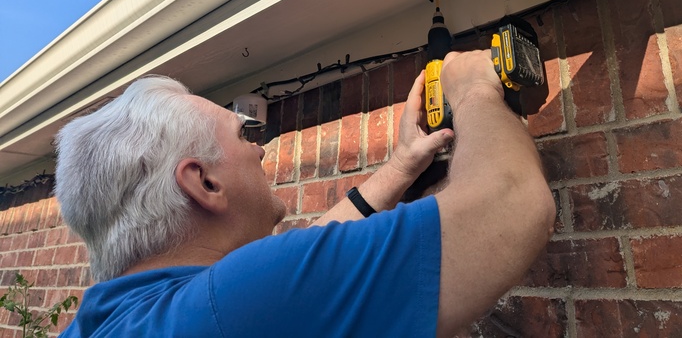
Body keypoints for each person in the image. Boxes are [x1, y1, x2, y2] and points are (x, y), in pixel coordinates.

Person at [55, 50, 555, 337]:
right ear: (204, 183)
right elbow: (511, 205)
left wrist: (401, 166)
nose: (260, 152)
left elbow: (310, 263)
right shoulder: (226, 309)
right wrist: (473, 91)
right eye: (245, 136)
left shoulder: (106, 322)